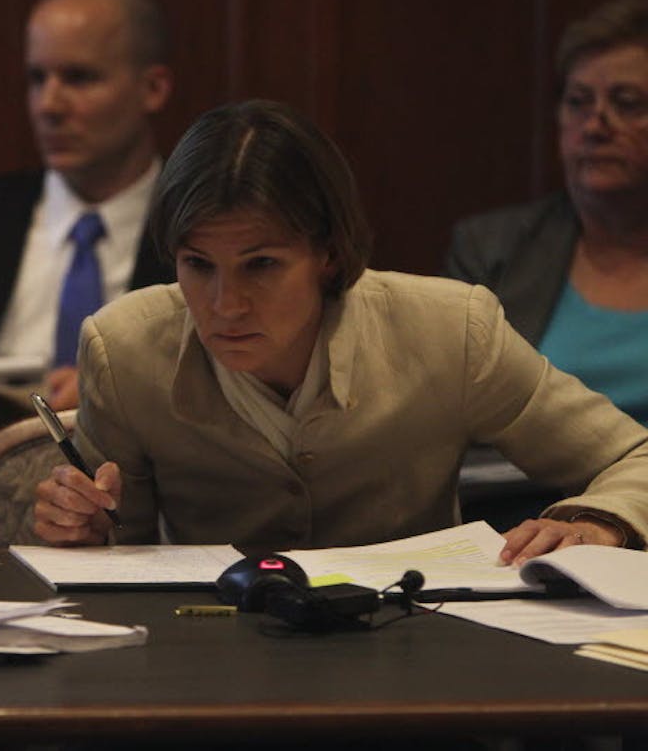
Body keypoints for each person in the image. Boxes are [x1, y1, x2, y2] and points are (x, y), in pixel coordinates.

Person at [33, 99, 648, 565]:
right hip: (213, 668)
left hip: (415, 662)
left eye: (262, 265)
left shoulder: (450, 331)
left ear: (326, 253)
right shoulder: (126, 348)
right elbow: (117, 559)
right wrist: (80, 529)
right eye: (198, 266)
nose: (225, 305)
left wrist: (598, 523)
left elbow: (633, 455)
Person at [0, 0, 173, 409]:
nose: (48, 105)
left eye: (79, 78)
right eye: (38, 78)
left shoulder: (198, 231)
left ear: (152, 89)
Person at [446, 0, 648, 424]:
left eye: (626, 102)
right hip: (533, 489)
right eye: (578, 102)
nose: (595, 125)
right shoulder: (492, 250)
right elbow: (451, 410)